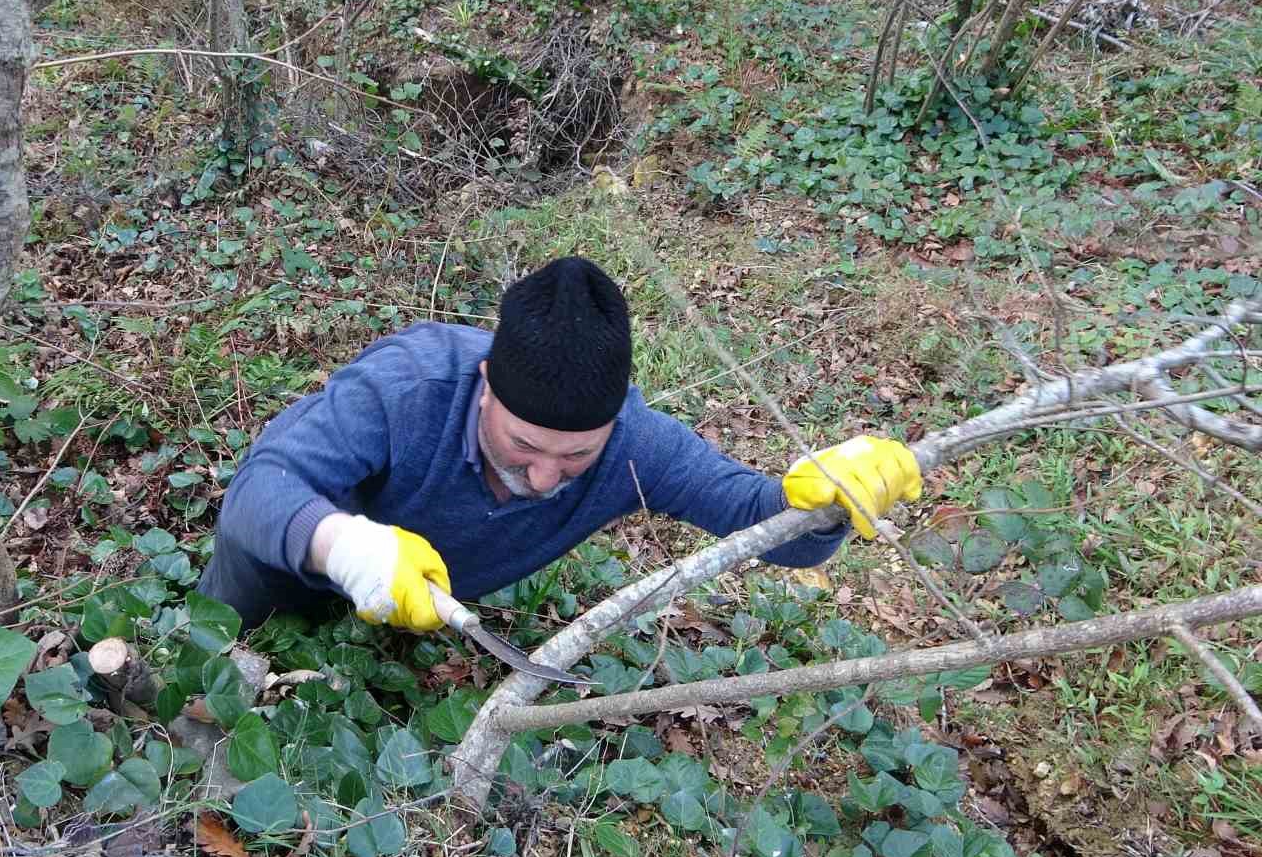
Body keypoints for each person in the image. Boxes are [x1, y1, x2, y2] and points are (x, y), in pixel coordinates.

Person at [196, 257, 921, 632]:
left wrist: (827, 503)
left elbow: (767, 528)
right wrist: (346, 548)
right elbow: (258, 492)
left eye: (576, 457)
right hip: (277, 566)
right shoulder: (407, 385)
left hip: (421, 613)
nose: (544, 477)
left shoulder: (635, 443)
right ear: (486, 386)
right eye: (522, 445)